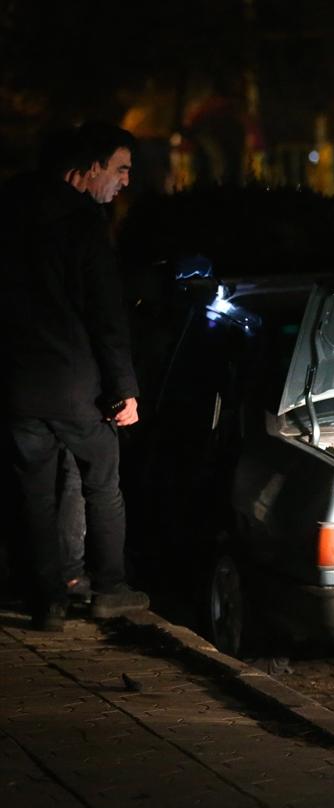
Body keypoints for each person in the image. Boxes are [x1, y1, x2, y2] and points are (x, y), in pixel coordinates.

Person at [0, 122, 149, 631]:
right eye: (120, 169)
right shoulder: (82, 224)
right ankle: (110, 587)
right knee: (102, 480)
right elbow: (107, 316)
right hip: (76, 386)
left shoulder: (11, 211)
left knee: (33, 494)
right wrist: (124, 389)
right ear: (89, 170)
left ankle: (48, 602)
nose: (124, 182)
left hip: (19, 384)